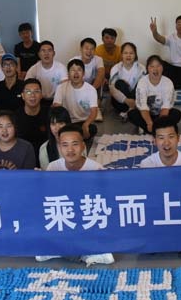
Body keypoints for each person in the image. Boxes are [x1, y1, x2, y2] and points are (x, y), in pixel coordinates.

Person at [40, 124, 114, 266]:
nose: (70, 150)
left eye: (75, 144)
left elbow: (105, 205)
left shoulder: (96, 169)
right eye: (65, 145)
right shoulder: (53, 167)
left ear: (83, 146)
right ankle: (86, 253)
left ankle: (61, 251)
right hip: (65, 220)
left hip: (87, 221)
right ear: (60, 147)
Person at [128, 55, 181, 135]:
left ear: (162, 68)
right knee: (132, 114)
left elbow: (166, 107)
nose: (155, 69)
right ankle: (160, 129)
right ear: (148, 69)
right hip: (146, 115)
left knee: (176, 114)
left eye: (158, 66)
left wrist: (158, 123)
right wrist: (149, 123)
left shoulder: (168, 82)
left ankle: (150, 130)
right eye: (152, 66)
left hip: (162, 115)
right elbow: (143, 106)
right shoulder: (142, 82)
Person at [52, 59, 98, 141]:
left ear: (83, 73)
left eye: (79, 70)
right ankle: (76, 138)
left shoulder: (91, 89)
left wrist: (86, 124)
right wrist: (60, 124)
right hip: (66, 122)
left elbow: (94, 111)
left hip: (82, 121)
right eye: (73, 70)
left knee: (92, 129)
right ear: (68, 73)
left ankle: (70, 138)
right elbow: (57, 107)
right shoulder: (61, 87)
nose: (76, 73)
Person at [108, 42, 146, 120]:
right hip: (121, 102)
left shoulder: (141, 68)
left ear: (135, 55)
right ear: (121, 55)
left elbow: (144, 88)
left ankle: (128, 111)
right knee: (120, 83)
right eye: (125, 53)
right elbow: (112, 90)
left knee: (141, 83)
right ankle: (132, 110)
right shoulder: (116, 68)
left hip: (136, 100)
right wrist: (126, 100)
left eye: (131, 53)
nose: (128, 55)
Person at [25, 41, 68, 106]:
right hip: (39, 99)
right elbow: (27, 86)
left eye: (49, 50)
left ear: (54, 53)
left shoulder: (61, 67)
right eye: (43, 51)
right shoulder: (34, 69)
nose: (46, 54)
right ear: (39, 54)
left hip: (57, 99)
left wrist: (56, 102)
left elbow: (65, 87)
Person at [15, 78, 49, 160]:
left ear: (41, 95)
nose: (32, 95)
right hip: (22, 156)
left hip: (46, 155)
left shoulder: (49, 114)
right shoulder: (15, 116)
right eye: (28, 92)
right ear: (23, 95)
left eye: (36, 91)